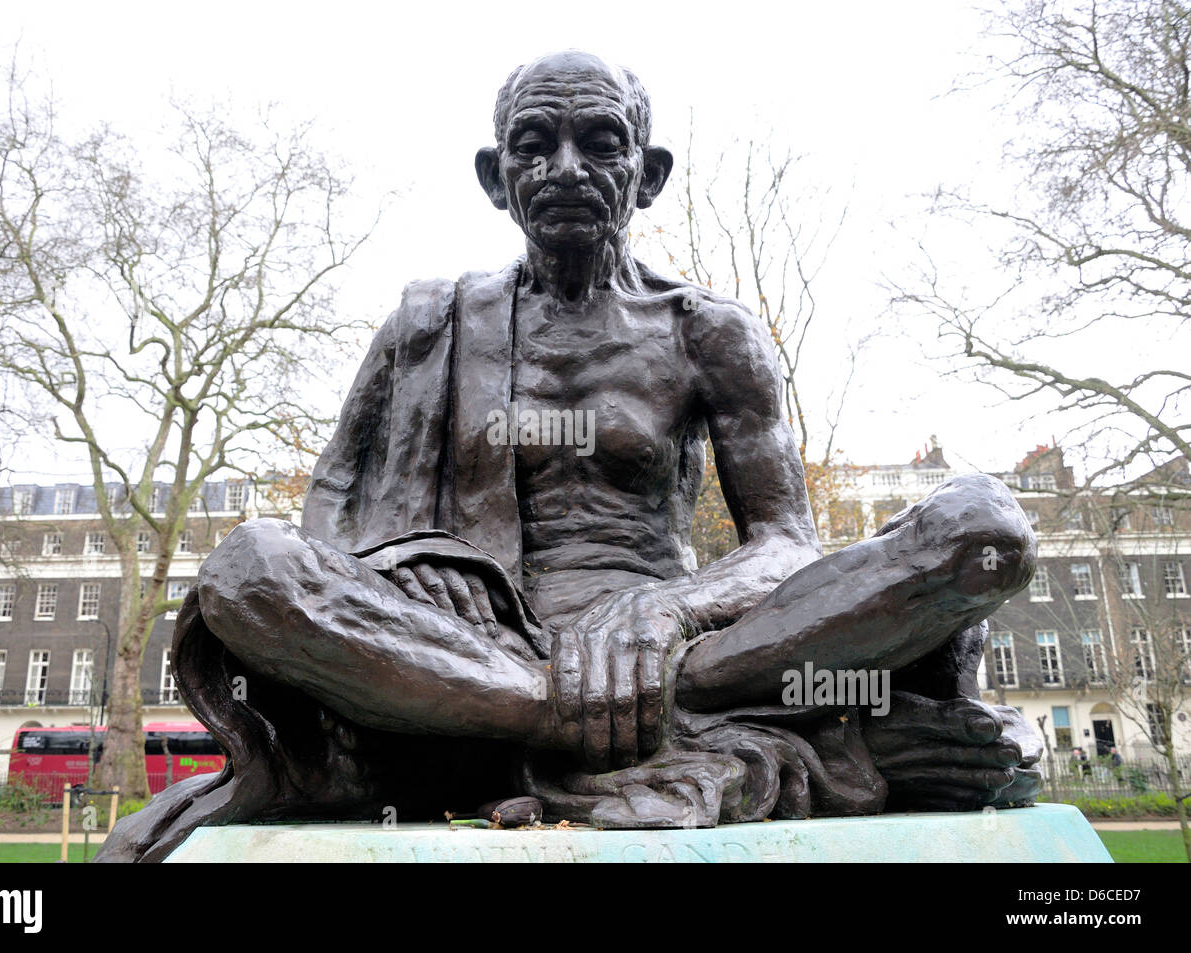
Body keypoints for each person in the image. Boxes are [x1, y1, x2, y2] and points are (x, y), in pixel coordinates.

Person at [98, 51, 1043, 862]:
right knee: (246, 570)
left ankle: (528, 728)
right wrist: (404, 563)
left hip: (694, 655)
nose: (564, 168)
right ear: (493, 173)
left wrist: (665, 612)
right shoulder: (427, 324)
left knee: (982, 529)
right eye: (534, 144)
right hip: (466, 650)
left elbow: (786, 544)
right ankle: (556, 721)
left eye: (600, 142)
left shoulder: (710, 333)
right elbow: (329, 516)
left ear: (650, 170)